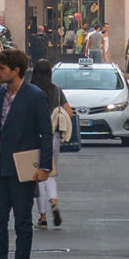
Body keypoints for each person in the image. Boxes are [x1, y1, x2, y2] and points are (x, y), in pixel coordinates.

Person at [0, 48, 56, 259]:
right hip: (0, 168)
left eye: (1, 69)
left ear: (16, 70)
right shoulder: (0, 95)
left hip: (23, 170)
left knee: (22, 223)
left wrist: (44, 167)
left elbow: (45, 134)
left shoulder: (34, 96)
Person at [30, 57, 72, 229]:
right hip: (53, 136)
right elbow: (69, 111)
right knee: (50, 172)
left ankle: (42, 216)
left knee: (37, 176)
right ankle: (53, 201)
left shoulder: (30, 90)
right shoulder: (56, 90)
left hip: (33, 136)